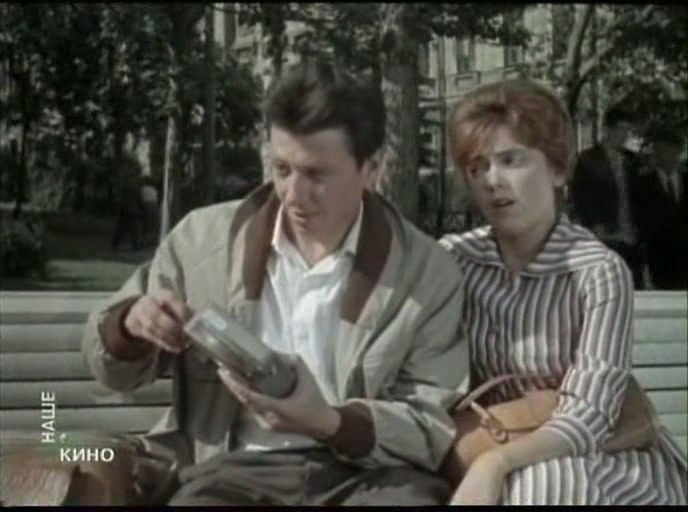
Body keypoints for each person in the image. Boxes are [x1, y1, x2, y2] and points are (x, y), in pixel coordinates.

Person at [81, 61, 468, 506]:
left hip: (368, 478)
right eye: (282, 168)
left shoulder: (427, 272)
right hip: (227, 471)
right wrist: (131, 327)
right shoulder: (201, 242)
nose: (293, 195)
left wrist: (330, 422)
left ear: (373, 167)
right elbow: (108, 371)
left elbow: (429, 426)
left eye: (317, 175)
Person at [439, 79, 687, 505]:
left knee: (546, 484)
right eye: (477, 167)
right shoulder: (453, 260)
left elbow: (591, 415)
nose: (492, 180)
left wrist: (495, 464)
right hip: (485, 441)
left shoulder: (597, 272)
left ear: (556, 169)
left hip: (598, 455)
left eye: (511, 160)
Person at [570, 107, 645, 289]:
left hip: (631, 238)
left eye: (628, 130)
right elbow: (579, 198)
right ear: (607, 129)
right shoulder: (587, 160)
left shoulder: (632, 160)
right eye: (621, 129)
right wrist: (594, 225)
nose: (624, 135)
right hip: (604, 237)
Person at [635, 129, 687, 289]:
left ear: (679, 153)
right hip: (658, 254)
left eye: (672, 152)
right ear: (656, 155)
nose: (668, 157)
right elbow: (640, 218)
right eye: (663, 152)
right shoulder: (643, 183)